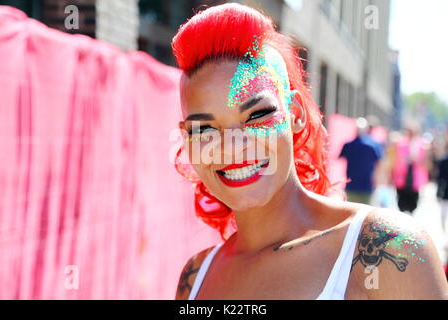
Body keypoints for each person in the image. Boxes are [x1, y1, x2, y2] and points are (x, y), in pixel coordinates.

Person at [172, 4, 448, 300]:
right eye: (205, 129)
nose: (232, 146)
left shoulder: (386, 249)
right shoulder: (195, 277)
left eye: (256, 116)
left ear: (295, 113)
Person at [339, 117, 383, 205]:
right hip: (367, 185)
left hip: (351, 185)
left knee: (351, 211)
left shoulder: (348, 145)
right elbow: (379, 164)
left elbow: (339, 157)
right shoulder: (373, 145)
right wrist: (377, 181)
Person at [391, 124, 430, 214]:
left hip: (414, 179)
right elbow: (395, 160)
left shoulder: (422, 145)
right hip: (402, 178)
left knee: (413, 203)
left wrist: (417, 160)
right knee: (401, 202)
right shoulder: (400, 143)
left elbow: (426, 163)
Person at [436, 140, 448, 234]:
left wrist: (438, 192)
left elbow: (440, 178)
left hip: (445, 192)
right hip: (446, 192)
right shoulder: (443, 161)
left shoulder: (443, 160)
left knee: (444, 216)